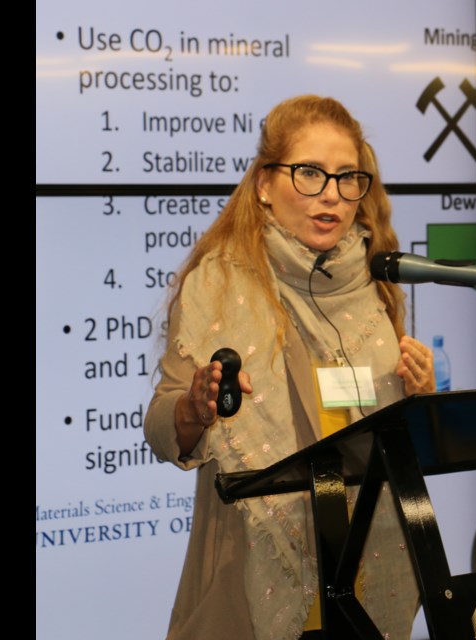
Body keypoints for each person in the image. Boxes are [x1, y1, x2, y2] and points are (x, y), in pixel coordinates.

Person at [144, 95, 435, 640]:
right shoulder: (218, 285)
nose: (331, 194)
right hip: (255, 577)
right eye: (309, 174)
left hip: (365, 577)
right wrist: (195, 405)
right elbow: (163, 426)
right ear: (263, 185)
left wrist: (420, 395)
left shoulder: (376, 285)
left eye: (349, 178)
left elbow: (389, 435)